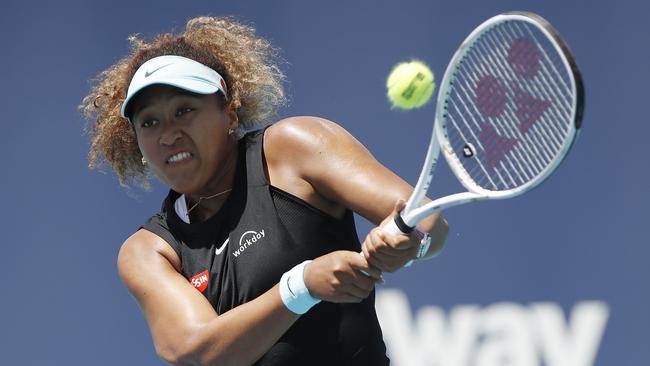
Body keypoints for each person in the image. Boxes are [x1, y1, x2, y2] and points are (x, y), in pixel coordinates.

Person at [81, 16, 448, 366]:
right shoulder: (148, 251)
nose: (168, 133)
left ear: (230, 114)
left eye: (185, 110)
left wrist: (409, 240)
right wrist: (302, 286)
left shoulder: (292, 148)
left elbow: (428, 221)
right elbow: (201, 352)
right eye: (149, 122)